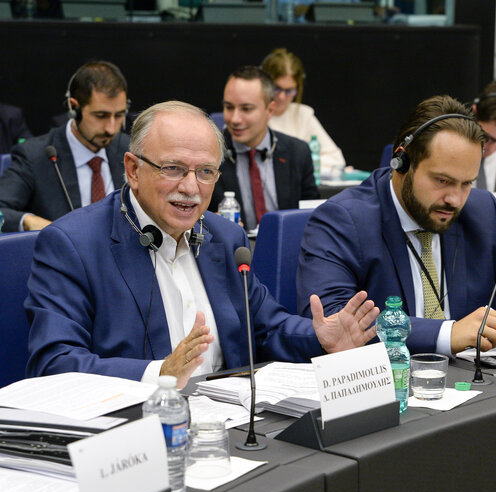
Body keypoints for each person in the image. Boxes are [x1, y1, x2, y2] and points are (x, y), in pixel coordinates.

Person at [25, 101, 379, 389]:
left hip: (232, 425)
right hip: (136, 435)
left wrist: (320, 338)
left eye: (206, 172)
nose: (191, 188)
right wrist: (159, 374)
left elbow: (266, 327)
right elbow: (54, 364)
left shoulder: (225, 238)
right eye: (174, 168)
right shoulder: (73, 244)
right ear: (133, 170)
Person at [296, 95, 496, 356]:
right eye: (442, 180)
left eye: (466, 183)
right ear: (402, 161)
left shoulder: (481, 210)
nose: (455, 199)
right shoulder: (343, 220)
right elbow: (336, 323)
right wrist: (446, 333)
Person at [0, 61, 129, 232]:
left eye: (119, 115)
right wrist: (28, 221)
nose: (111, 128)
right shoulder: (35, 156)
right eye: (101, 116)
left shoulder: (131, 149)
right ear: (74, 108)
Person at [209, 65, 320, 230]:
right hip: (235, 253)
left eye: (246, 109)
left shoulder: (297, 152)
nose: (234, 119)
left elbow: (312, 216)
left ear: (270, 110)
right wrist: (210, 222)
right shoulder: (209, 153)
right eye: (229, 107)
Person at [261, 48, 346, 173]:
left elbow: (337, 160)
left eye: (289, 91)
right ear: (265, 84)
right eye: (277, 88)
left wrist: (297, 163)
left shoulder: (303, 114)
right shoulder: (254, 114)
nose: (282, 97)